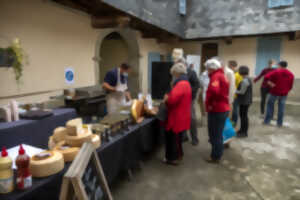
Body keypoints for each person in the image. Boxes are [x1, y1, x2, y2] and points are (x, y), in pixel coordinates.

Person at [163, 62, 192, 165]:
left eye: (173, 74)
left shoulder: (181, 84)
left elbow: (172, 100)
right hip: (182, 114)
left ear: (176, 73)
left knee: (172, 138)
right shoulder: (186, 82)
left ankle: (172, 158)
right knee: (178, 138)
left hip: (176, 116)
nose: (173, 76)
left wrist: (166, 99)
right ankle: (179, 155)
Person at [205, 58, 230, 164]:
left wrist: (211, 103)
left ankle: (215, 156)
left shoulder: (216, 76)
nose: (206, 70)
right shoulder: (222, 75)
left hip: (217, 109)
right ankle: (217, 153)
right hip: (222, 108)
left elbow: (214, 91)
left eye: (207, 68)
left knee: (215, 134)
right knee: (217, 133)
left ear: (211, 68)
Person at [264, 61, 294, 127]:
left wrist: (270, 83)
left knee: (270, 106)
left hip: (274, 92)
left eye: (278, 65)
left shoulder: (276, 71)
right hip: (284, 94)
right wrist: (286, 90)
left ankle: (267, 121)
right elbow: (291, 86)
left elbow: (266, 77)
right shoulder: (291, 74)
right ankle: (279, 124)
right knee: (281, 108)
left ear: (280, 65)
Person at [235, 66, 252, 138]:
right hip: (245, 101)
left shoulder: (245, 80)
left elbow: (242, 92)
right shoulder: (247, 78)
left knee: (244, 117)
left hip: (245, 101)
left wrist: (234, 90)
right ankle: (241, 130)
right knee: (242, 116)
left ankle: (244, 132)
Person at [187, 63, 201, 145]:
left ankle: (195, 138)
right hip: (181, 99)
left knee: (191, 118)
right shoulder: (176, 72)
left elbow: (197, 85)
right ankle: (184, 136)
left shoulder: (191, 72)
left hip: (190, 98)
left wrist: (187, 90)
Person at [228, 60, 243, 127]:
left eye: (229, 65)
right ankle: (234, 121)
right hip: (236, 94)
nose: (228, 66)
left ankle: (234, 122)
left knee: (235, 109)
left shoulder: (235, 74)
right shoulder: (237, 73)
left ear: (232, 66)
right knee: (235, 109)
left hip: (235, 94)